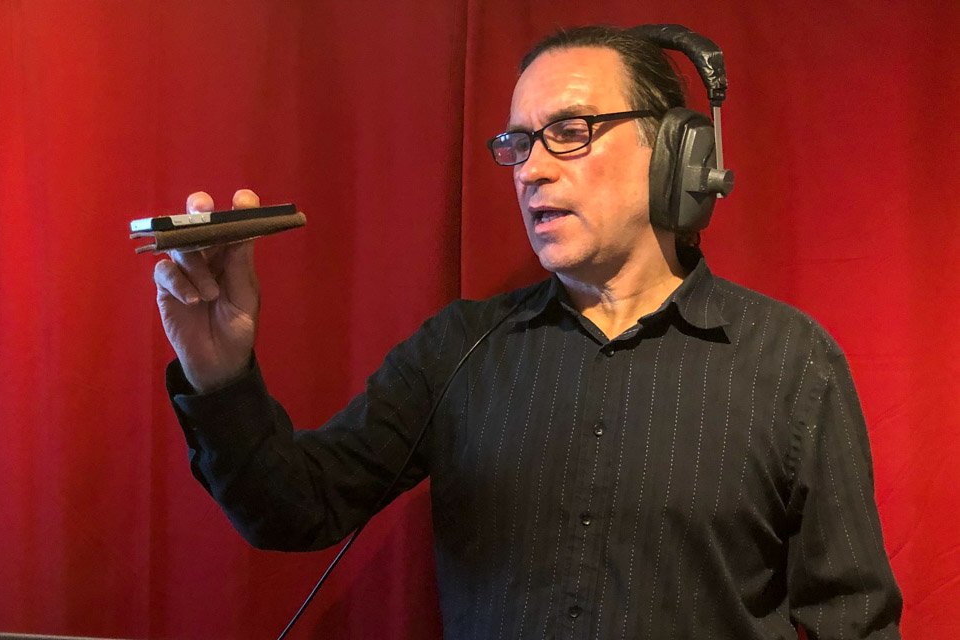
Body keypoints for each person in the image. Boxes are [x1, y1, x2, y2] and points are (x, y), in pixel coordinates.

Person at [154, 26, 902, 639]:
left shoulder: (792, 364)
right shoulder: (458, 350)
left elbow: (854, 622)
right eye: (519, 142)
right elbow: (294, 507)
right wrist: (219, 375)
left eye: (570, 132)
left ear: (678, 153)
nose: (530, 171)